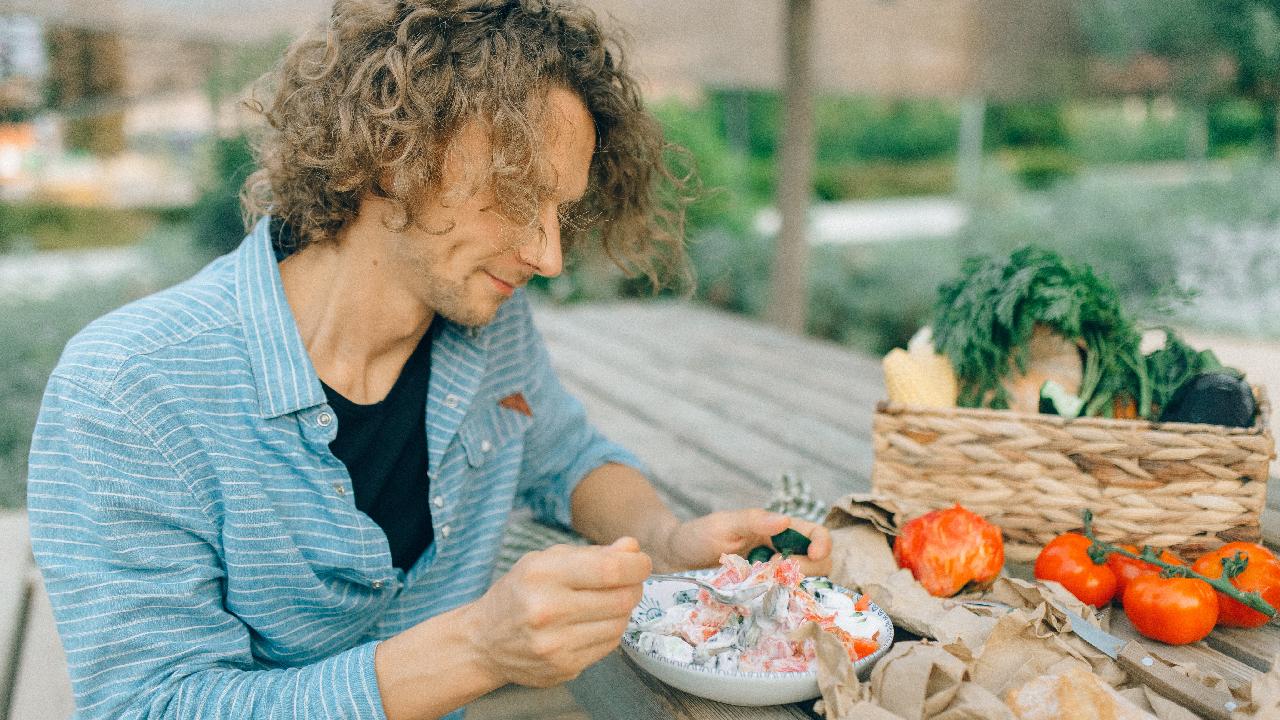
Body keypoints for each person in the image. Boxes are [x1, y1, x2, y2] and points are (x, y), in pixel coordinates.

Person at [27, 1, 832, 719]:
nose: (549, 254)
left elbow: (570, 460)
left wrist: (667, 538)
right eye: (520, 195)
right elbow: (153, 706)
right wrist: (477, 651)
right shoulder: (129, 390)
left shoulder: (488, 326)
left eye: (561, 210)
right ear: (395, 150)